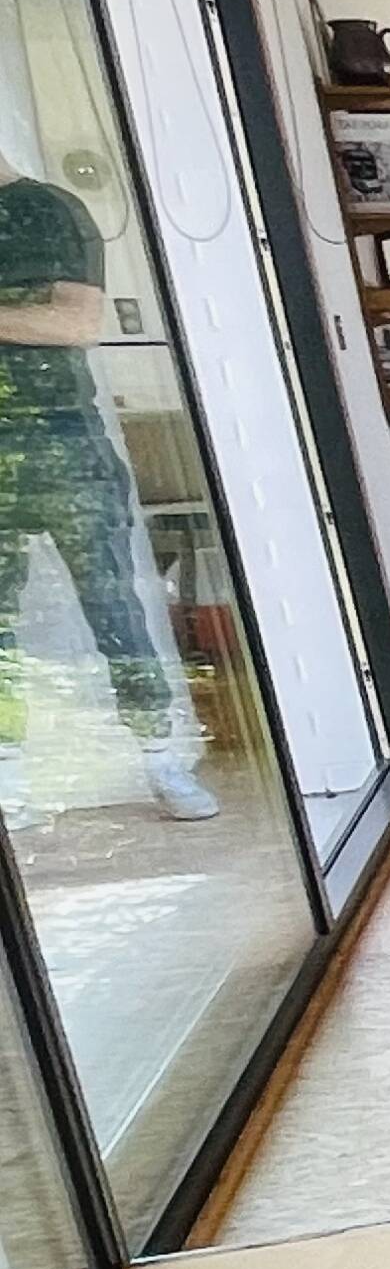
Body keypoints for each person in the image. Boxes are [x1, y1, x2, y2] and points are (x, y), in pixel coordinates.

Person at [0, 163, 211, 819]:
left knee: (113, 607)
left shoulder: (47, 210)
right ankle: (10, 777)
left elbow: (76, 321)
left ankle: (161, 758)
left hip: (64, 444)